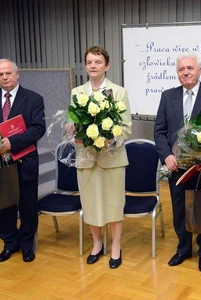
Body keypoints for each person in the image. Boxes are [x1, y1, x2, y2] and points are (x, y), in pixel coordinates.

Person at [154, 52, 201, 272]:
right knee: (179, 209)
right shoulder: (168, 96)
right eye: (181, 69)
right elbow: (159, 131)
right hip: (177, 167)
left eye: (190, 68)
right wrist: (167, 155)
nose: (185, 72)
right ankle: (183, 248)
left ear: (199, 71)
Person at [69, 46, 131, 268]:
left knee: (114, 205)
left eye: (97, 62)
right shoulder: (77, 93)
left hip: (112, 159)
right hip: (86, 158)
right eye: (89, 62)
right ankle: (97, 244)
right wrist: (71, 128)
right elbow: (74, 122)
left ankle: (115, 246)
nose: (93, 66)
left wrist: (110, 139)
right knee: (91, 204)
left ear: (107, 66)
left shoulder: (119, 92)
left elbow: (126, 128)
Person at [0, 59, 46, 262]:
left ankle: (27, 244)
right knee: (5, 206)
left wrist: (13, 142)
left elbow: (38, 129)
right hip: (2, 165)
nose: (4, 78)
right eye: (0, 75)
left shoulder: (33, 99)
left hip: (25, 160)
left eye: (8, 73)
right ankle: (10, 244)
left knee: (28, 207)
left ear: (18, 74)